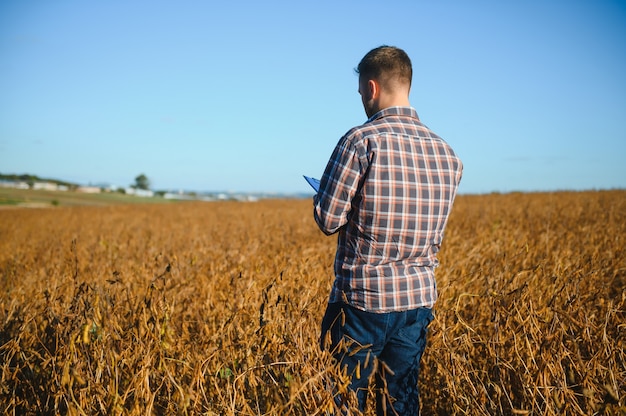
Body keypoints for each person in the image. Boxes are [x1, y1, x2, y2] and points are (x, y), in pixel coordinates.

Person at [313, 45, 463, 415]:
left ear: (371, 88)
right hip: (417, 303)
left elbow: (328, 220)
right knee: (401, 401)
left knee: (344, 402)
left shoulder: (361, 141)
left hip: (363, 303)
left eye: (362, 90)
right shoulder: (447, 154)